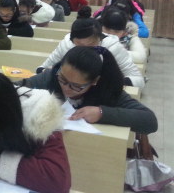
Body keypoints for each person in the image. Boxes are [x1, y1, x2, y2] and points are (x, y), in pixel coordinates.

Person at [22, 47, 157, 134]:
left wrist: (102, 113)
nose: (66, 87)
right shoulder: (52, 76)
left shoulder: (107, 90)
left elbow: (149, 120)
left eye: (76, 86)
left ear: (94, 81)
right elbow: (17, 89)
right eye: (63, 79)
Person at [37, 18, 144, 88]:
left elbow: (138, 80)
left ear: (100, 38)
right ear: (72, 40)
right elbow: (41, 68)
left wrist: (108, 82)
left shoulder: (112, 47)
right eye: (79, 45)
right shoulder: (66, 44)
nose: (85, 50)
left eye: (91, 44)